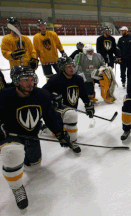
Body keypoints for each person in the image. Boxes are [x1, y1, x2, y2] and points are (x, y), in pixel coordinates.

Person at [0, 65, 75, 209]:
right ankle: (17, 187)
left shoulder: (42, 95)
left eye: (32, 79)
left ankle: (18, 160)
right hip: (10, 135)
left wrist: (60, 133)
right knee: (12, 153)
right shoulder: (3, 96)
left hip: (30, 135)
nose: (30, 83)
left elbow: (50, 116)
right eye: (25, 80)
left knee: (34, 168)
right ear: (16, 81)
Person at [42, 56, 95, 153]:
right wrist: (53, 97)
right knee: (62, 129)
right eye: (68, 66)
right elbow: (42, 92)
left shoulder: (78, 78)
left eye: (72, 66)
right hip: (58, 110)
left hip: (71, 109)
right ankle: (72, 141)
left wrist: (88, 104)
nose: (72, 68)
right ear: (62, 68)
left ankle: (48, 129)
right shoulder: (55, 79)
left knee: (68, 125)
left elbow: (82, 92)